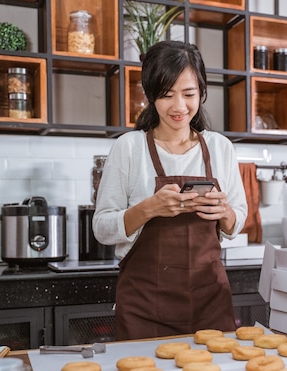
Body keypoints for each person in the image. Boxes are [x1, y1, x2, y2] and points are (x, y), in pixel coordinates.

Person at [93, 40, 247, 340]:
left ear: (201, 92)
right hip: (144, 308)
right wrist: (149, 208)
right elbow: (101, 228)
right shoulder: (129, 147)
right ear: (151, 96)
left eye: (188, 94)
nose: (179, 106)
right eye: (166, 95)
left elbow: (238, 220)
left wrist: (224, 213)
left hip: (210, 304)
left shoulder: (220, 148)